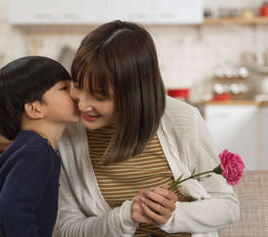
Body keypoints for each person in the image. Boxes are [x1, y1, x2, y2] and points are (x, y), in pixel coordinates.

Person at [57, 20, 240, 237]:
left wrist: (172, 215)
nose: (82, 105)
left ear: (133, 95)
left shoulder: (182, 120)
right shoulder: (67, 133)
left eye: (99, 97)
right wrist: (124, 218)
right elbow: (68, 230)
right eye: (77, 86)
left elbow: (227, 206)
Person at [0, 56, 79, 237]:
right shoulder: (36, 153)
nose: (76, 93)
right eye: (64, 88)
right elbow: (10, 211)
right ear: (35, 109)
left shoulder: (32, 147)